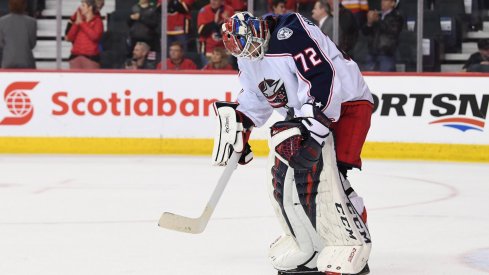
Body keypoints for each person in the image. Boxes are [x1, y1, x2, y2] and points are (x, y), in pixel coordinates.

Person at [213, 12, 372, 275]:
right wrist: (241, 125)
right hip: (306, 112)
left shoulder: (291, 33)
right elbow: (255, 95)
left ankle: (353, 245)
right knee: (298, 182)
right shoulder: (247, 57)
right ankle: (314, 246)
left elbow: (323, 77)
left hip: (347, 103)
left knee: (333, 179)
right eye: (243, 51)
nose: (250, 53)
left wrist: (316, 130)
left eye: (250, 44)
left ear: (257, 29)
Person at [361, 0, 403, 72]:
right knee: (368, 79)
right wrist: (369, 23)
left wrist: (378, 20)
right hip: (372, 54)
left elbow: (391, 31)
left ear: (393, 3)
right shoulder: (378, 15)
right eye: (382, 0)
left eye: (386, 0)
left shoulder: (397, 16)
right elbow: (365, 32)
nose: (382, 2)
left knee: (386, 80)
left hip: (386, 55)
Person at [66, 0, 104, 69]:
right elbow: (69, 37)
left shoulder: (98, 21)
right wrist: (76, 24)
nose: (80, 7)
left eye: (83, 5)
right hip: (75, 57)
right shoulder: (79, 20)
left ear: (90, 7)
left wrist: (82, 24)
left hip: (90, 58)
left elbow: (95, 36)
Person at [0, 0, 37, 69]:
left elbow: (1, 44)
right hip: (27, 62)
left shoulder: (1, 22)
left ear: (9, 5)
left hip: (7, 62)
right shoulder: (32, 22)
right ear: (25, 5)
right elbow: (32, 44)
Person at [197, 0, 234, 65]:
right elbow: (201, 32)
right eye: (212, 0)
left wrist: (227, 20)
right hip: (208, 51)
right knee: (208, 73)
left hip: (225, 51)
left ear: (222, 1)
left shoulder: (229, 10)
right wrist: (214, 22)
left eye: (216, 0)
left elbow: (235, 33)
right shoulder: (204, 11)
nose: (213, 2)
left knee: (227, 72)